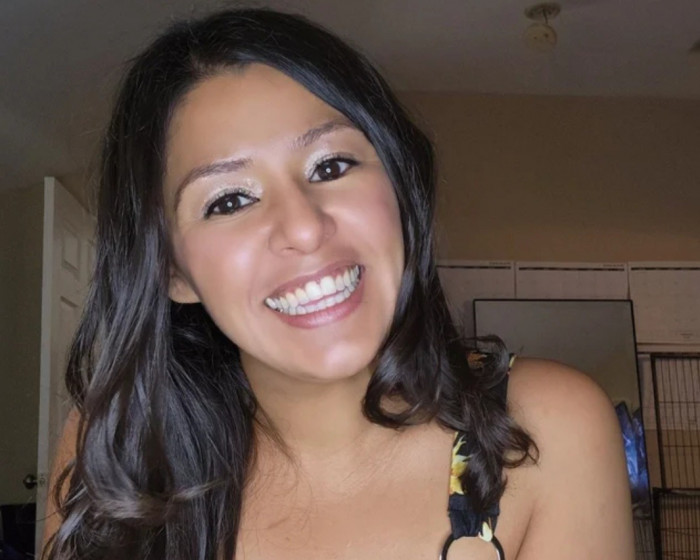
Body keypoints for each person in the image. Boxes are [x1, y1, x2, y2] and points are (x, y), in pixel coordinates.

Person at [43, 8, 634, 560]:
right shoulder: (116, 452)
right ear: (172, 271)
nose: (303, 226)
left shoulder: (549, 428)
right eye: (229, 201)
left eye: (330, 166)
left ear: (398, 188)